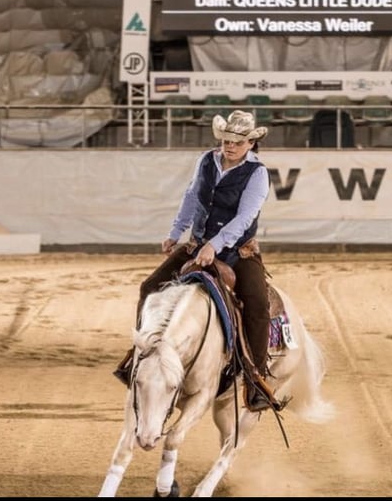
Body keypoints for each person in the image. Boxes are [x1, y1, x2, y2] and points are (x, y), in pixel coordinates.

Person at [113, 110, 276, 411]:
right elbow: (192, 197)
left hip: (238, 250)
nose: (229, 147)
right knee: (149, 287)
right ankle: (142, 354)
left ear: (251, 143)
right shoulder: (207, 160)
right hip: (198, 245)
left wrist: (215, 245)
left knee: (257, 305)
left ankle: (256, 377)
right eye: (226, 141)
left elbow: (245, 218)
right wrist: (176, 232)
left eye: (237, 143)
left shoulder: (258, 174)